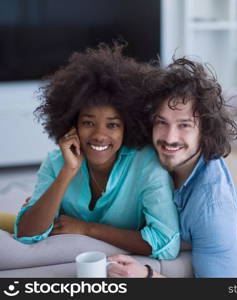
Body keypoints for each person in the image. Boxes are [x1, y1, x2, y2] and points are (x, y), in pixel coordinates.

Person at [14, 43, 180, 260]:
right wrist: (67, 173)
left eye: (112, 125)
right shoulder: (57, 162)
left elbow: (166, 244)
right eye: (88, 123)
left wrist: (87, 229)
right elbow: (26, 234)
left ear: (127, 127)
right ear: (71, 124)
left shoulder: (146, 164)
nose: (100, 135)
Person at [108, 58, 237, 278]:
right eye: (162, 122)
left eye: (184, 125)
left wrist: (147, 277)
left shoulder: (212, 208)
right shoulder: (149, 156)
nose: (169, 138)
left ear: (205, 132)